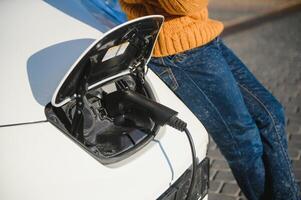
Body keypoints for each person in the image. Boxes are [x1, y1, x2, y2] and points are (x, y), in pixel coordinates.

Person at [119, 0, 301, 199]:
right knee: (243, 141)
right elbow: (185, 4)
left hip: (201, 36)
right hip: (178, 53)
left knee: (271, 113)